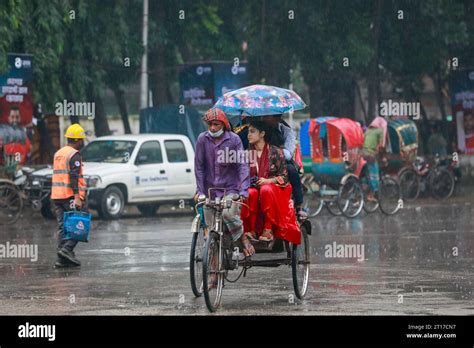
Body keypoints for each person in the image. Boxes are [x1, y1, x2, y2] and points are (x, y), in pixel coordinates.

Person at [194, 108, 254, 256]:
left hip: (230, 189)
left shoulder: (234, 139)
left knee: (227, 214)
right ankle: (213, 268)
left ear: (224, 124)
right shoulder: (202, 139)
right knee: (209, 227)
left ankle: (242, 237)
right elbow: (199, 168)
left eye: (216, 124)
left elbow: (242, 166)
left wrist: (243, 190)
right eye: (210, 125)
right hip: (210, 191)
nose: (213, 128)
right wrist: (200, 191)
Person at [242, 120, 301, 245]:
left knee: (266, 189)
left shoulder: (275, 151)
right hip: (254, 187)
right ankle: (250, 230)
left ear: (262, 133)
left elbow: (284, 176)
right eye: (248, 132)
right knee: (249, 193)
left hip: (275, 188)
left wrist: (268, 181)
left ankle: (268, 229)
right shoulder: (247, 153)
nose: (249, 135)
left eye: (252, 132)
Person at [51, 123, 87, 268]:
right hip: (69, 196)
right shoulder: (74, 155)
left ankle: (62, 258)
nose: (82, 142)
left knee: (63, 227)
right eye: (82, 139)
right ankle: (66, 249)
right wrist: (77, 196)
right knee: (80, 223)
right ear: (78, 140)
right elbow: (73, 176)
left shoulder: (58, 153)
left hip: (57, 196)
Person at [261, 114, 305, 217]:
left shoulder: (285, 130)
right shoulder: (256, 128)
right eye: (265, 116)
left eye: (270, 116)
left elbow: (288, 154)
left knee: (291, 170)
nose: (266, 119)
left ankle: (299, 204)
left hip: (281, 161)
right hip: (259, 159)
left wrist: (273, 153)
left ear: (278, 118)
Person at [362, 116, 387, 201]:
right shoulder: (380, 131)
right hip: (370, 155)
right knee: (374, 174)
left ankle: (362, 194)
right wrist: (383, 157)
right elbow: (381, 146)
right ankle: (371, 194)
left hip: (362, 154)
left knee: (366, 174)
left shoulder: (368, 131)